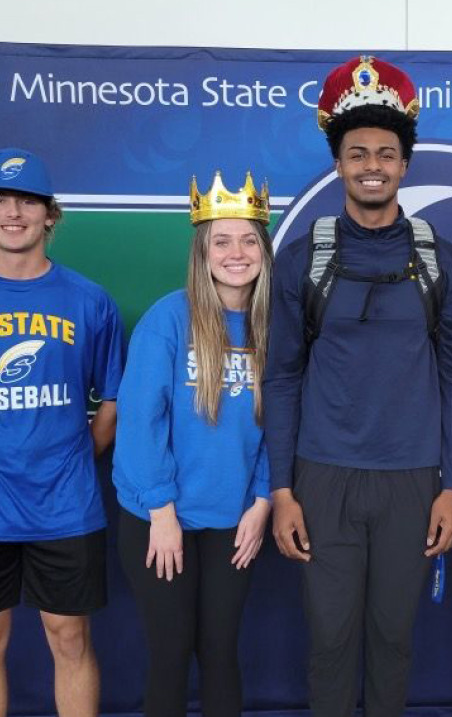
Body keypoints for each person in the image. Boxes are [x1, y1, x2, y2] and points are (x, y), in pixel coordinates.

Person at [263, 55, 452, 717]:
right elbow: (283, 374)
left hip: (412, 477)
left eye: (386, 152)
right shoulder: (304, 257)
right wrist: (282, 489)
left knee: (392, 637)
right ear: (338, 164)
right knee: (329, 641)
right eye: (358, 153)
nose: (373, 165)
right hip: (323, 476)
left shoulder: (441, 259)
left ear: (405, 165)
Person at [112, 171, 273, 717]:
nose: (237, 252)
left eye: (249, 239)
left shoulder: (277, 326)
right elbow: (139, 422)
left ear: (264, 250)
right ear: (202, 251)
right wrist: (161, 511)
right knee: (171, 652)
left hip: (234, 516)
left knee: (220, 651)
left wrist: (263, 501)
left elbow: (285, 423)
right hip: (160, 516)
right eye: (221, 241)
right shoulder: (168, 318)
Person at [0, 147, 124, 717]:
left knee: (69, 640)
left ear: (51, 214)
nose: (13, 213)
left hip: (64, 502)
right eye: (2, 201)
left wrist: (73, 456)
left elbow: (113, 400)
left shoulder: (89, 299)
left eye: (27, 200)